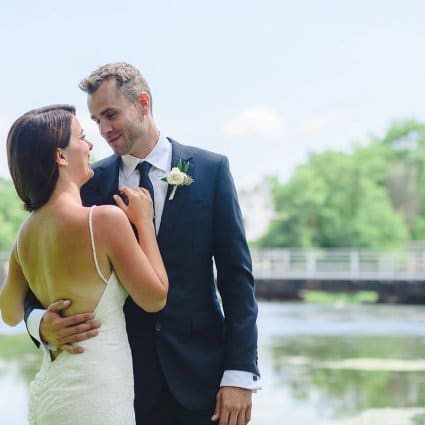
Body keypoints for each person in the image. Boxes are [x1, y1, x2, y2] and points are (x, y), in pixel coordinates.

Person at [25, 63, 260, 425]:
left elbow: (236, 278)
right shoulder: (86, 183)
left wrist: (240, 374)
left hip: (204, 379)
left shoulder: (211, 170)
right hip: (119, 383)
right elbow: (35, 273)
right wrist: (40, 323)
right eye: (96, 120)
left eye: (110, 115)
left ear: (143, 103)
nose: (103, 130)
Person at [0, 104, 168, 425]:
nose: (91, 146)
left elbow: (8, 312)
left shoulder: (25, 234)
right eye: (82, 137)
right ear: (61, 156)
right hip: (95, 398)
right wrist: (144, 222)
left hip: (49, 393)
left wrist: (41, 322)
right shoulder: (103, 220)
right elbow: (155, 297)